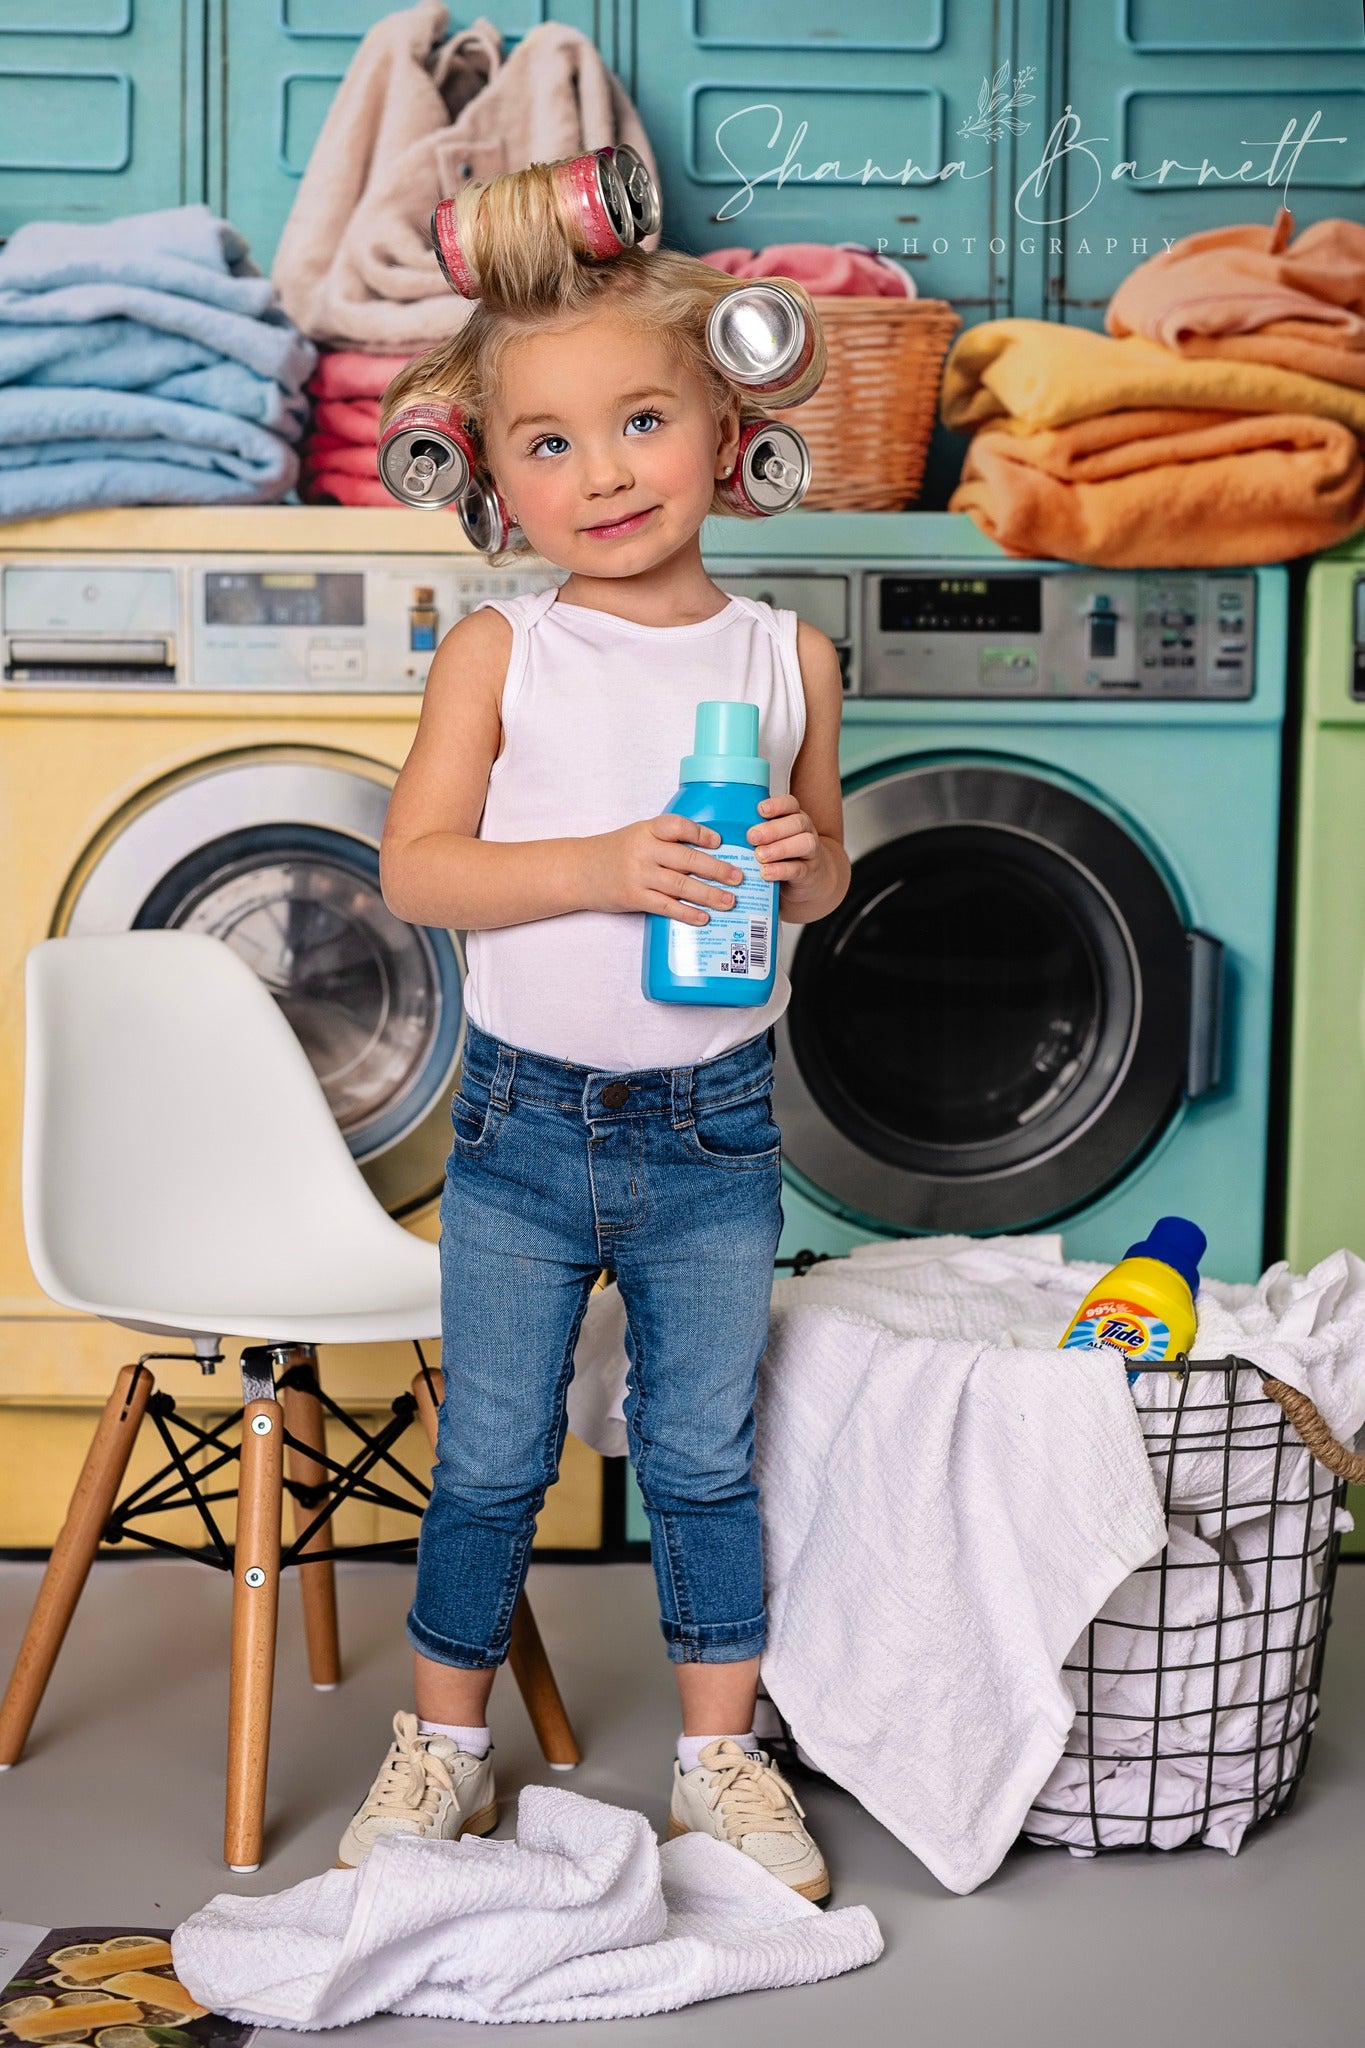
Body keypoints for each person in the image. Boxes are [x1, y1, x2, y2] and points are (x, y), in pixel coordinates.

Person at [335, 159, 850, 1898]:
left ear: (724, 424)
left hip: (713, 1129)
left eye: (639, 420)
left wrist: (793, 860)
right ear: (490, 477)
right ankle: (441, 1750)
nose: (601, 472)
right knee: (491, 1452)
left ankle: (724, 1762)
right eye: (545, 443)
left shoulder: (789, 657)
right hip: (524, 1131)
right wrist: (602, 865)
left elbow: (829, 869)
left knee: (703, 1456)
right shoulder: (502, 652)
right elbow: (419, 872)